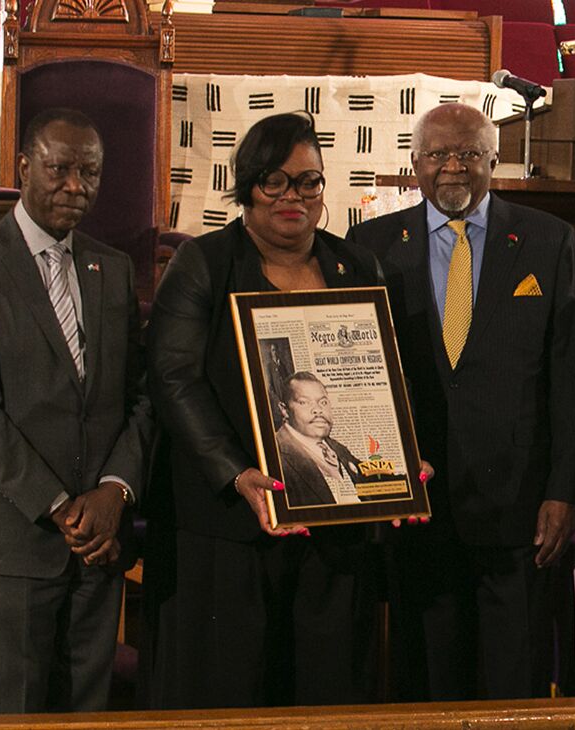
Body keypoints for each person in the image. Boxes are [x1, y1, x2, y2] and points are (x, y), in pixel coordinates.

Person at [344, 102, 575, 701]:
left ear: (493, 159)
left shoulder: (547, 240)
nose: (452, 167)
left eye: (468, 154)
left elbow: (566, 378)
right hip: (414, 504)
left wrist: (563, 490)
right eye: (437, 155)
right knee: (425, 685)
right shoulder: (370, 245)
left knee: (514, 684)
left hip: (519, 511)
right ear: (414, 163)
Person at [144, 111, 386, 708]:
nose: (293, 196)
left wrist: (396, 467)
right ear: (247, 185)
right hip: (227, 526)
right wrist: (234, 471)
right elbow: (173, 379)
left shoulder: (354, 265)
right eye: (273, 181)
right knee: (229, 692)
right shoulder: (203, 262)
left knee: (328, 691)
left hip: (333, 532)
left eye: (309, 182)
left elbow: (376, 386)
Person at [0, 108, 152, 713]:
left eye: (90, 173)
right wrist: (61, 510)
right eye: (59, 169)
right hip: (15, 538)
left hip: (100, 544)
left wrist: (113, 492)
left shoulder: (112, 269)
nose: (75, 187)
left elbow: (139, 397)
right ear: (25, 167)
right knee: (13, 717)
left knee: (88, 715)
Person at [275, 371, 364, 507]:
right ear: (284, 410)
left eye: (323, 402)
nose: (317, 409)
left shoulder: (336, 447)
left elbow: (370, 479)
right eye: (304, 402)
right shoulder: (275, 453)